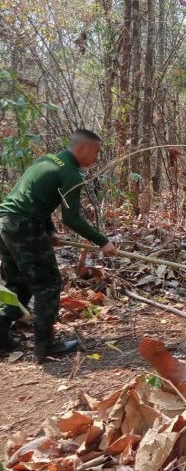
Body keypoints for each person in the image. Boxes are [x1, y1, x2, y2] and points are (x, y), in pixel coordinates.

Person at [0, 129, 117, 361]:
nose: (96, 157)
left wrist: (50, 231)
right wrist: (103, 242)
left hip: (5, 222)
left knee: (18, 282)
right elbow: (71, 218)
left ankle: (1, 338)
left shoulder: (47, 160)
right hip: (25, 226)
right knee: (48, 284)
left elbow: (34, 198)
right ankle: (46, 345)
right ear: (81, 148)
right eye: (95, 152)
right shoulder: (71, 174)